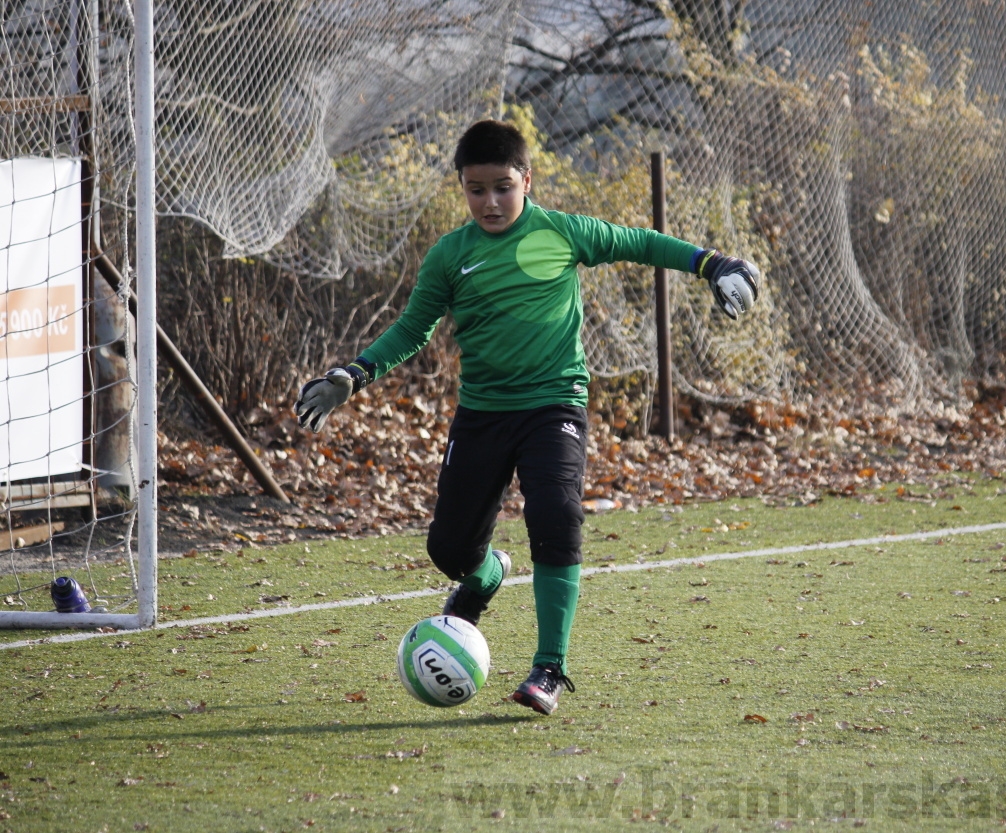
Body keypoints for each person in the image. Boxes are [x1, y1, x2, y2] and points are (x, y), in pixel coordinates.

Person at [296, 119, 760, 715]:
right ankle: (485, 574)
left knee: (556, 513)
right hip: (483, 415)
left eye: (503, 187)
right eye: (476, 189)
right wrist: (353, 374)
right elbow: (414, 329)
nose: (490, 201)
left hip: (554, 405)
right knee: (450, 552)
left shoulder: (562, 233)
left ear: (527, 181)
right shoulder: (449, 256)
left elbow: (639, 242)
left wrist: (712, 264)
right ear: (462, 188)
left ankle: (549, 668)